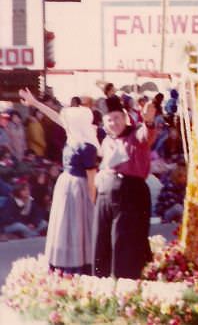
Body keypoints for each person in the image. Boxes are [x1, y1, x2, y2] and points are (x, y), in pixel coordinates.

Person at [19, 88, 98, 274]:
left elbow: (91, 179)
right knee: (72, 226)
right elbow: (57, 117)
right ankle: (70, 264)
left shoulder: (86, 145)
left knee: (74, 227)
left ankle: (77, 264)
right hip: (71, 185)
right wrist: (35, 103)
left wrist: (92, 201)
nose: (65, 122)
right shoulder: (77, 136)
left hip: (76, 187)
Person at [93, 95, 156, 279]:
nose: (114, 123)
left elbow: (147, 134)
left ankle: (125, 283)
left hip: (130, 196)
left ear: (125, 117)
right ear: (104, 123)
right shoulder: (106, 140)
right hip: (105, 195)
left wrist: (149, 121)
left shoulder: (135, 135)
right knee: (103, 239)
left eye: (117, 118)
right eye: (109, 120)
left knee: (124, 242)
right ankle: (103, 281)